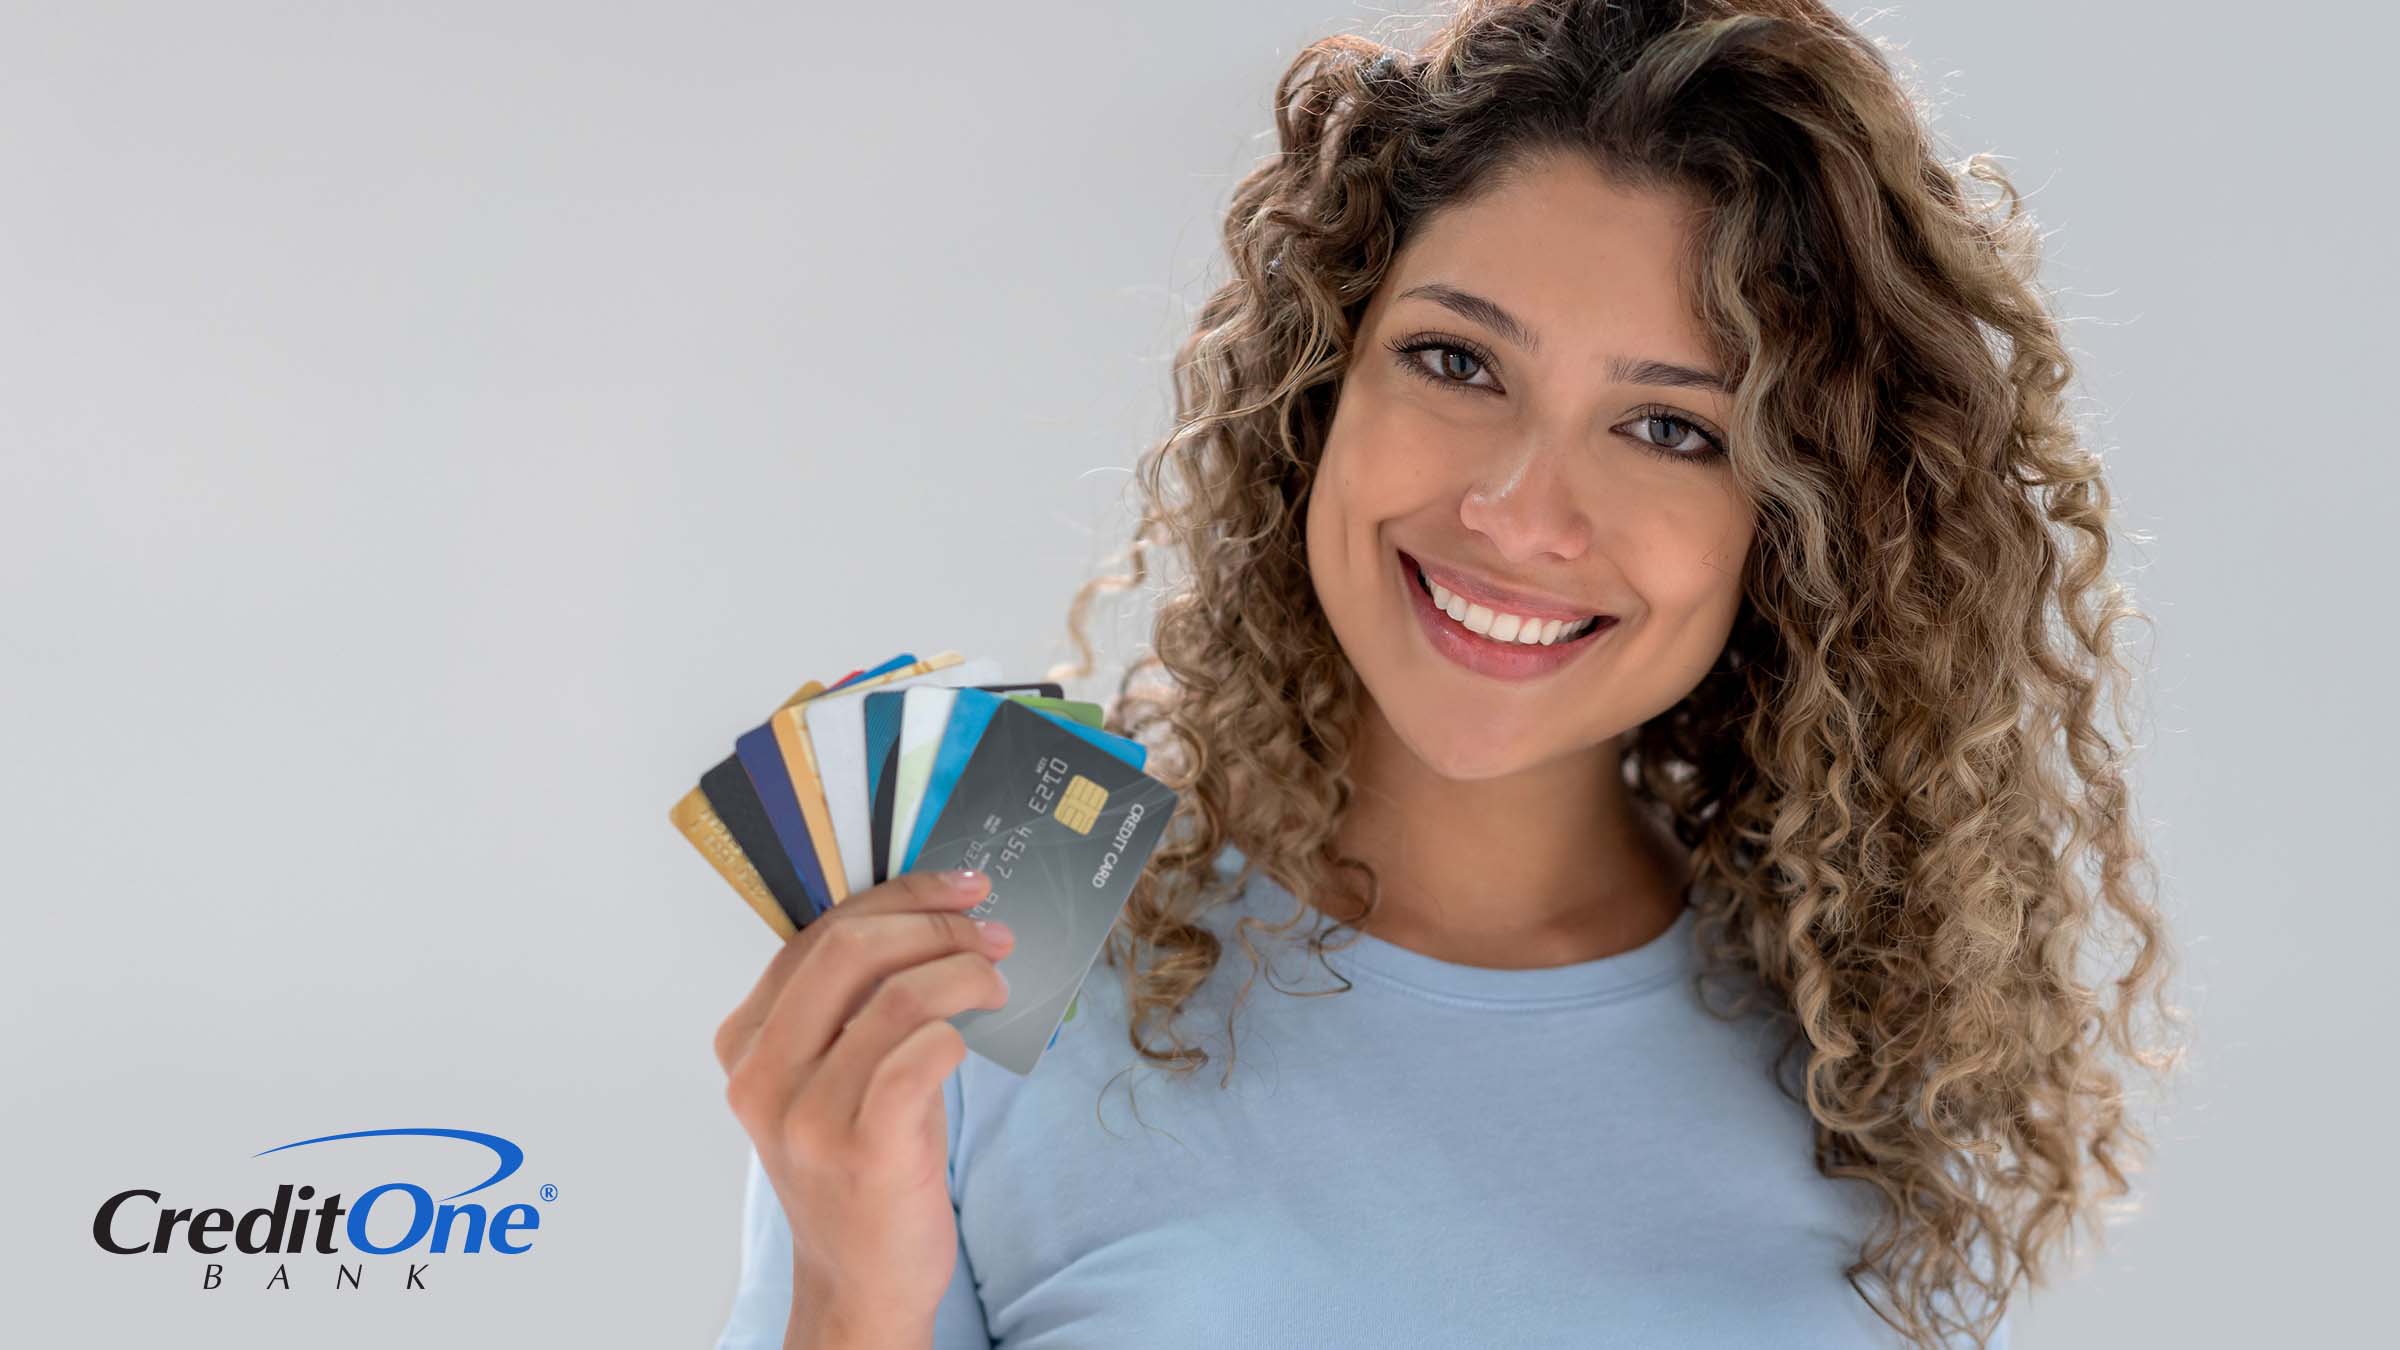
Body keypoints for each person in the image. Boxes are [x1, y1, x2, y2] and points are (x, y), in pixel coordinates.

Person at [709, 1, 2184, 1346]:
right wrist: (851, 1291)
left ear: (1801, 530)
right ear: (1317, 379)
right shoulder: (1002, 909)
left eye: (1673, 429)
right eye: (1458, 363)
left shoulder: (1856, 1041)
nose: (1522, 515)